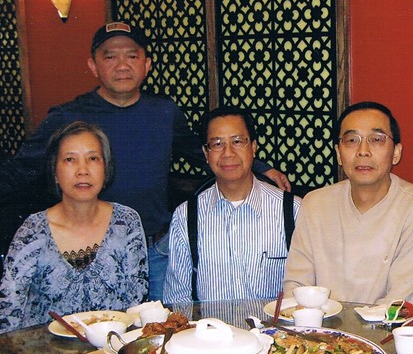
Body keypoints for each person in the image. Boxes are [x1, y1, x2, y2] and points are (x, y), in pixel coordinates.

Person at [0, 22, 290, 301]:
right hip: (105, 252)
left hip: (158, 250)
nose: (122, 65)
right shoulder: (68, 116)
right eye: (110, 57)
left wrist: (261, 168)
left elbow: (201, 151)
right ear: (93, 65)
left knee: (162, 328)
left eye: (132, 56)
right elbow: (21, 168)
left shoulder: (164, 111)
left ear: (146, 64)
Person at [283, 101, 413, 305]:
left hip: (383, 326)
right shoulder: (315, 204)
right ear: (338, 154)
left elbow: (399, 301)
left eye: (376, 139)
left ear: (396, 153)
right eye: (352, 140)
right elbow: (296, 287)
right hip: (317, 324)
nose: (363, 151)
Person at [0, 122, 148, 334]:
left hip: (111, 347)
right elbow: (9, 312)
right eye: (70, 160)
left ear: (106, 169)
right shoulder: (33, 230)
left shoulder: (126, 222)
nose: (82, 171)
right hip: (46, 352)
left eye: (93, 159)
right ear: (54, 172)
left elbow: (136, 305)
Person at [163, 107, 301, 303]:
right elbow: (179, 300)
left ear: (253, 147)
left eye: (237, 141)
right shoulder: (186, 216)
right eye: (217, 144)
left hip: (273, 324)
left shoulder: (293, 211)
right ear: (206, 153)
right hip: (209, 324)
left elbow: (304, 294)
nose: (228, 153)